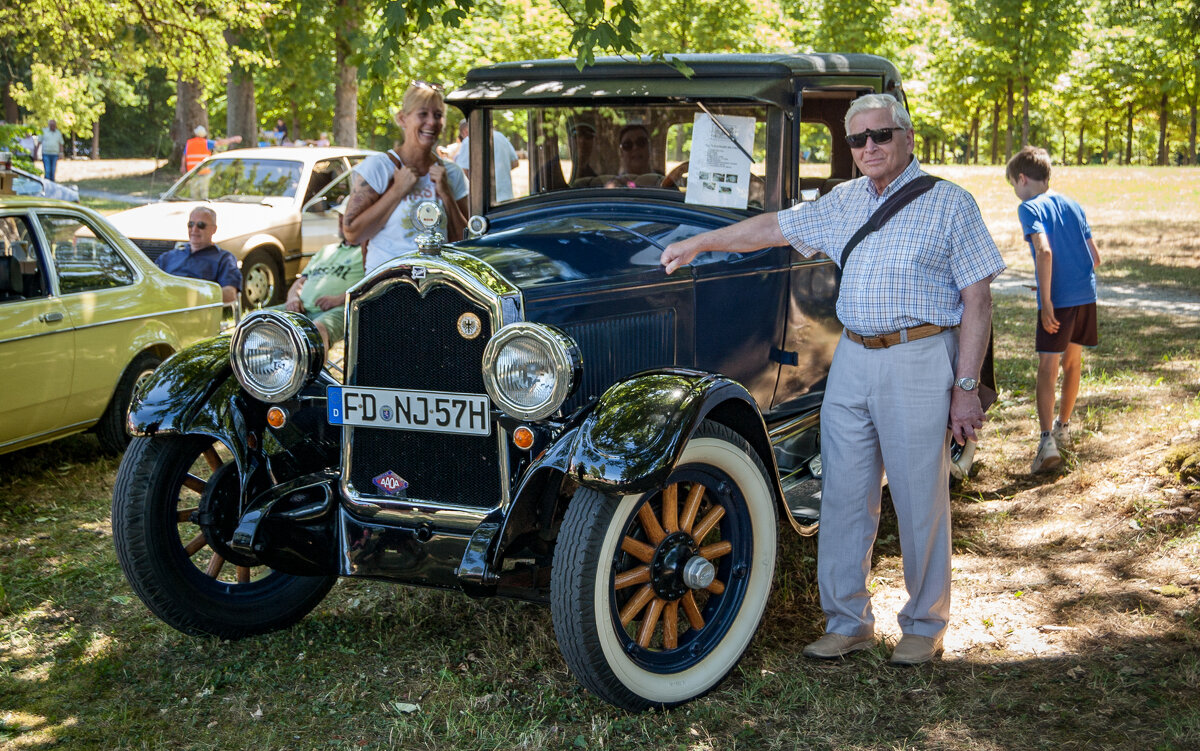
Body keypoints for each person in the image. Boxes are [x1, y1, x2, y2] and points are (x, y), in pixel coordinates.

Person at [660, 93, 1005, 666]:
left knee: (920, 500)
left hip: (920, 356)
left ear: (908, 137)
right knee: (844, 495)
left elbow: (978, 301)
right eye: (856, 139)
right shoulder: (843, 201)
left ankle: (924, 623)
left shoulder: (950, 203)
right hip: (853, 359)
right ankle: (847, 620)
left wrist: (965, 389)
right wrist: (700, 242)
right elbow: (771, 228)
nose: (868, 147)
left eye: (881, 135)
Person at [1006, 146, 1101, 474]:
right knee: (1073, 363)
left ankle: (1046, 442)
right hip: (1085, 297)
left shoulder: (1029, 207)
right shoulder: (1074, 205)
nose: (1016, 193)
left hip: (1058, 302)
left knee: (1048, 367)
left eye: (1014, 186)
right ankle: (1064, 428)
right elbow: (1095, 258)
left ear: (1021, 179)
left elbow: (1044, 252)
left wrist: (1047, 300)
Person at [343, 82, 468, 271]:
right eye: (423, 114)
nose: (432, 122)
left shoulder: (451, 173)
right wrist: (397, 190)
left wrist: (446, 194)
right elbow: (352, 232)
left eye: (438, 115)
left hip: (439, 286)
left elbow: (466, 242)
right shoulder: (380, 167)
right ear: (403, 119)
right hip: (387, 286)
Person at [278, 203, 363, 348]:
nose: (341, 220)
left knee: (316, 331)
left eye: (346, 216)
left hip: (341, 309)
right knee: (257, 318)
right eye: (340, 216)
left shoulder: (367, 252)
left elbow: (373, 286)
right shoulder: (326, 250)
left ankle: (314, 370)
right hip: (301, 308)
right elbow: (300, 281)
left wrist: (340, 299)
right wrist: (293, 298)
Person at [155, 207, 242, 304]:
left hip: (194, 311)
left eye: (201, 225)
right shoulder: (168, 257)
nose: (194, 229)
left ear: (214, 229)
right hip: (161, 306)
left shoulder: (224, 258)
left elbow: (229, 294)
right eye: (191, 224)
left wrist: (193, 296)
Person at [454, 126, 520, 202]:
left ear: (465, 131)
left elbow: (463, 172)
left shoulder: (469, 140)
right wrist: (500, 171)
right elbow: (515, 163)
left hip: (483, 201)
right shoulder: (501, 137)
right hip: (506, 196)